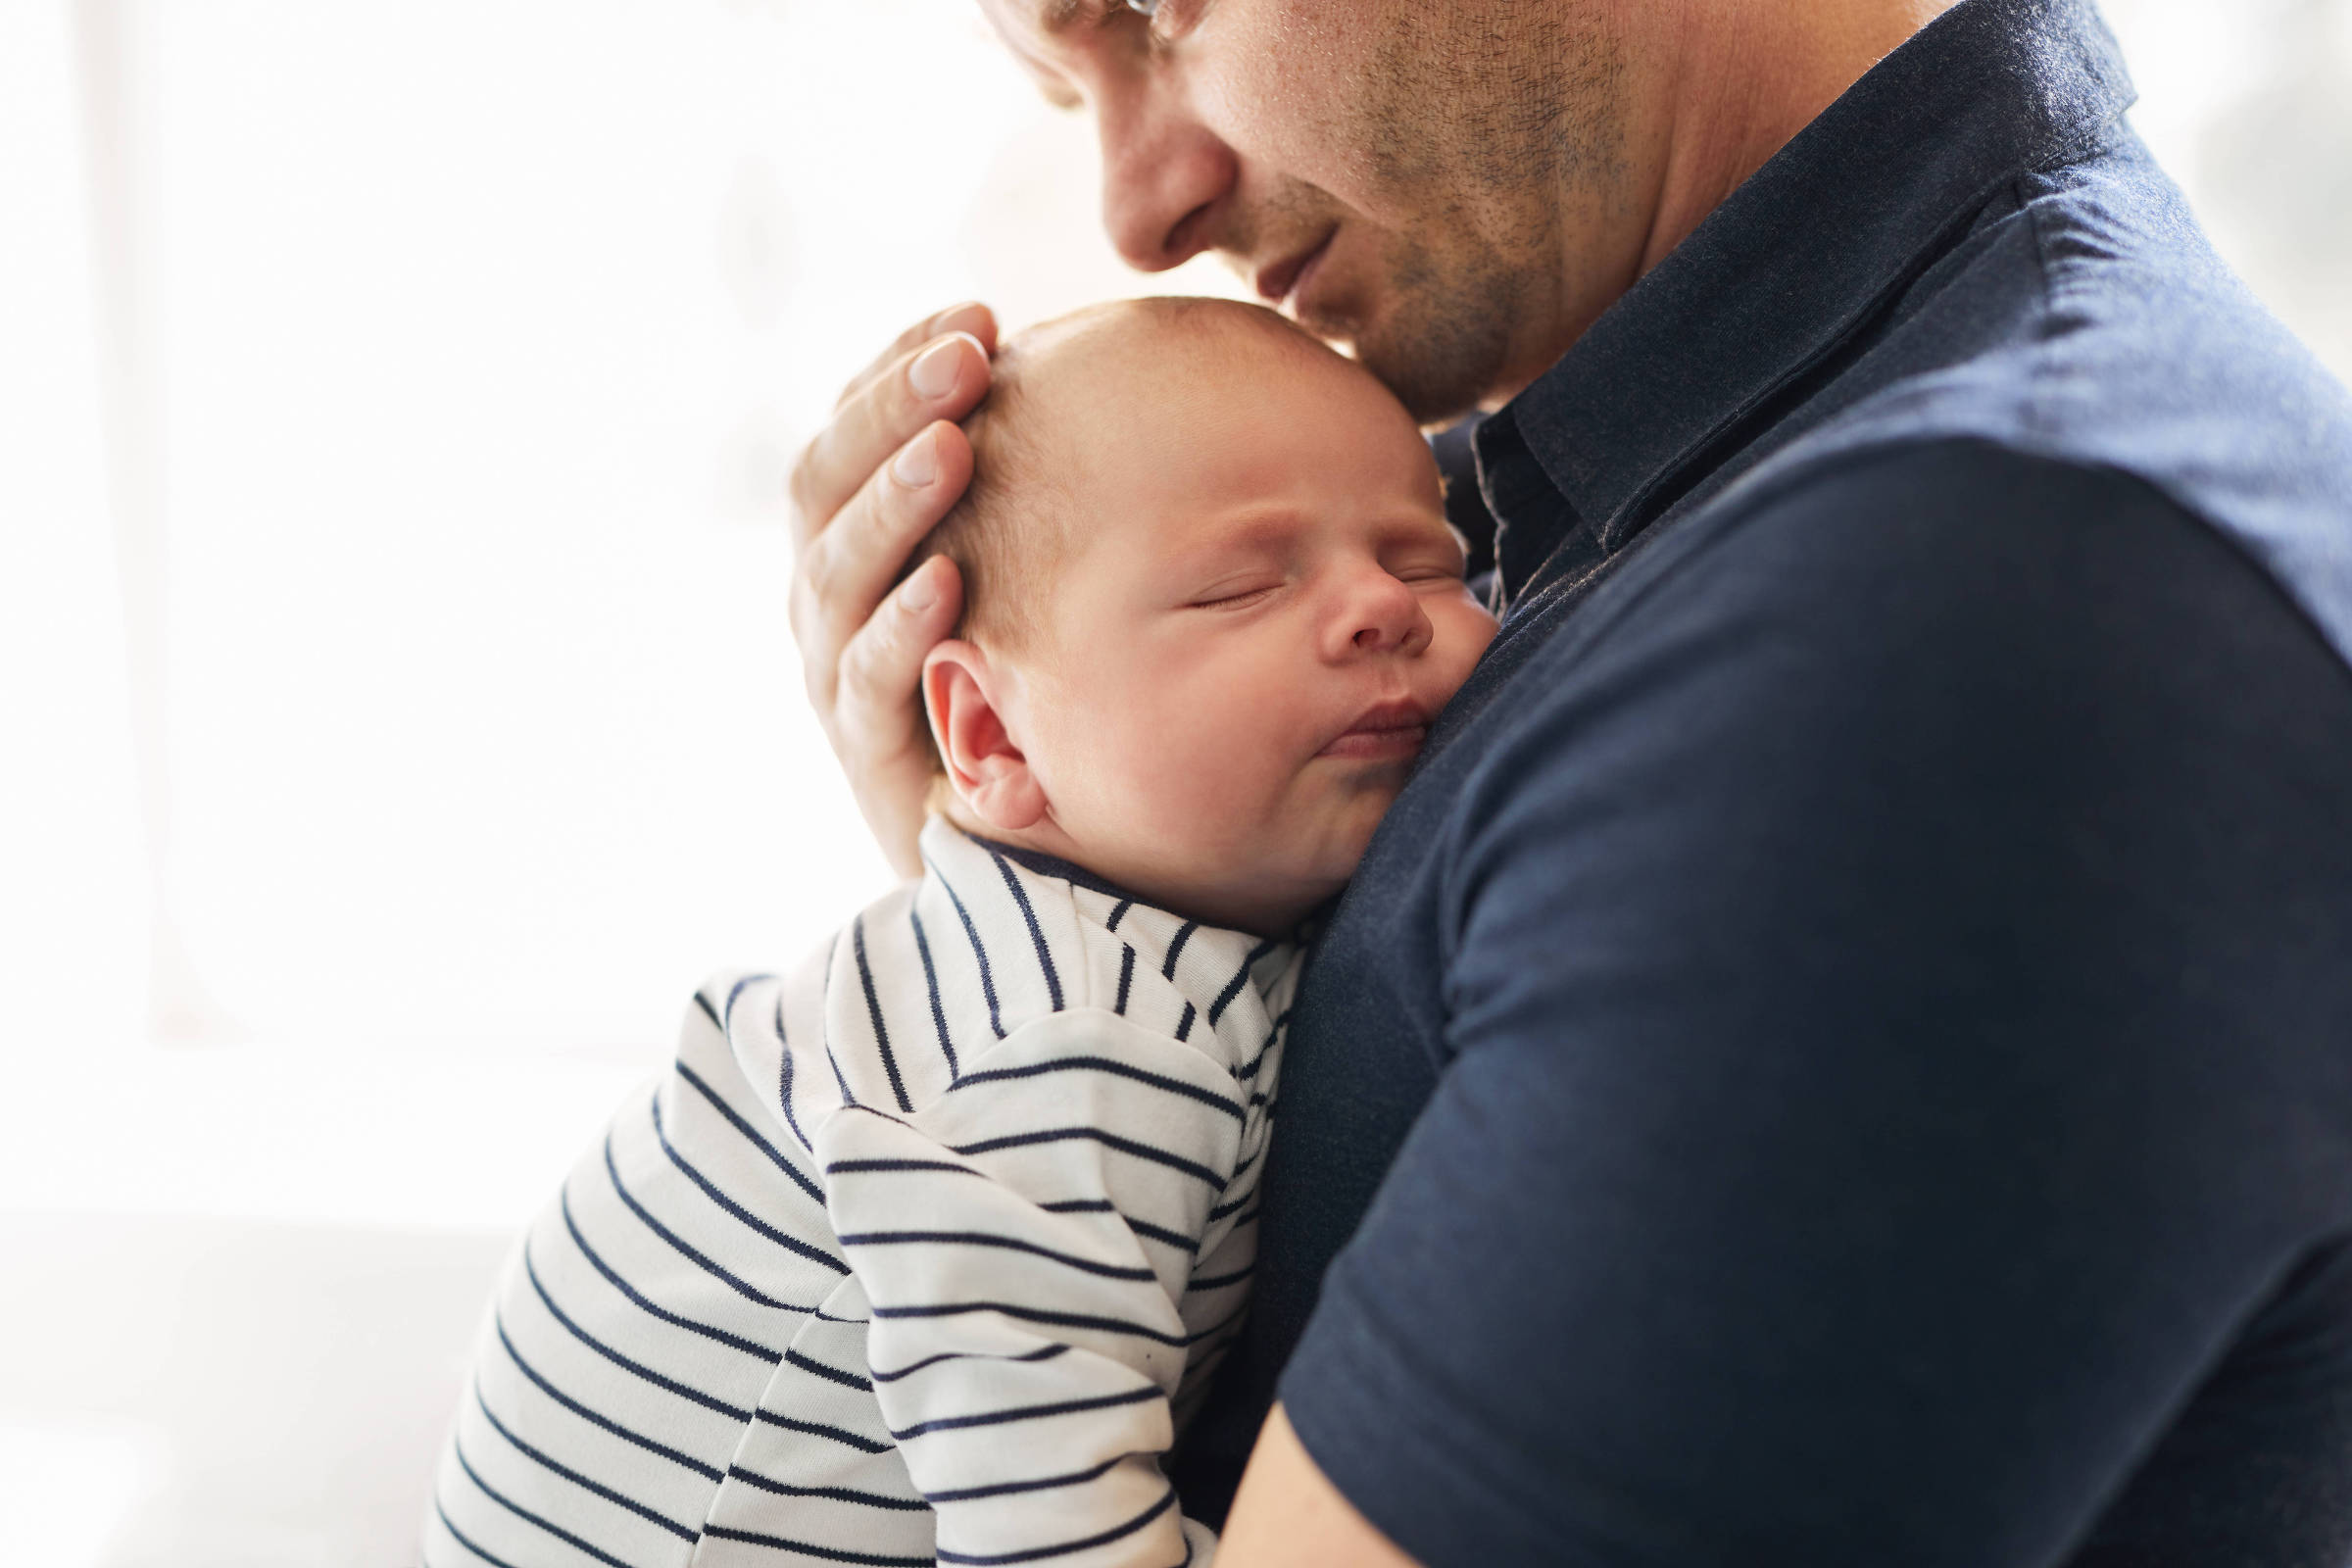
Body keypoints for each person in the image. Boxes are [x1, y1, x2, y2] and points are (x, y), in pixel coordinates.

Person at [786, 0, 2352, 1563]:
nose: (1140, 210)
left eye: (1156, 13)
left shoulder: (1976, 611)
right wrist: (1025, 871)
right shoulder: (1601, 498)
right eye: (1073, 95)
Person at [422, 297, 1496, 1567]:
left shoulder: (1130, 943)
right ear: (989, 737)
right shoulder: (1078, 1031)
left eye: (1427, 557)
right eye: (1243, 583)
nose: (1384, 605)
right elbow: (1037, 1504)